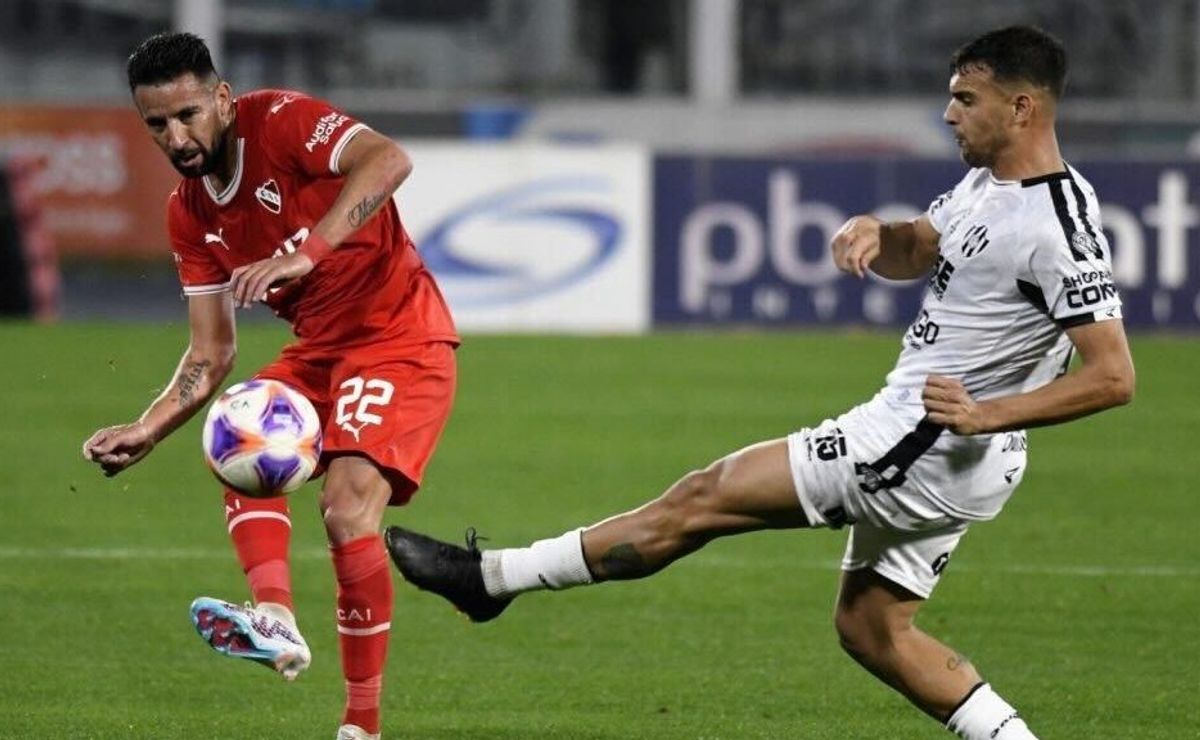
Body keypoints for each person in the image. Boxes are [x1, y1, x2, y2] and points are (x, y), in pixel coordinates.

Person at [383, 25, 1134, 740]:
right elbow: (920, 248)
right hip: (938, 440)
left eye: (966, 99)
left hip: (924, 442)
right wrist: (879, 231)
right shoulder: (987, 185)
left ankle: (490, 580)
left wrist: (984, 415)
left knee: (704, 498)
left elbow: (1113, 376)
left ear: (1022, 107)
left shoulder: (1058, 226)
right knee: (871, 629)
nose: (948, 113)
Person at [81, 32, 459, 740]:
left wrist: (306, 252)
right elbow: (211, 351)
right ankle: (276, 621)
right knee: (238, 429)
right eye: (157, 125)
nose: (178, 136)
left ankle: (361, 727)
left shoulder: (280, 121)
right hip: (321, 351)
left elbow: (389, 160)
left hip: (401, 336)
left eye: (189, 114)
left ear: (222, 98)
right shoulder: (188, 212)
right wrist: (148, 426)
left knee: (347, 512)